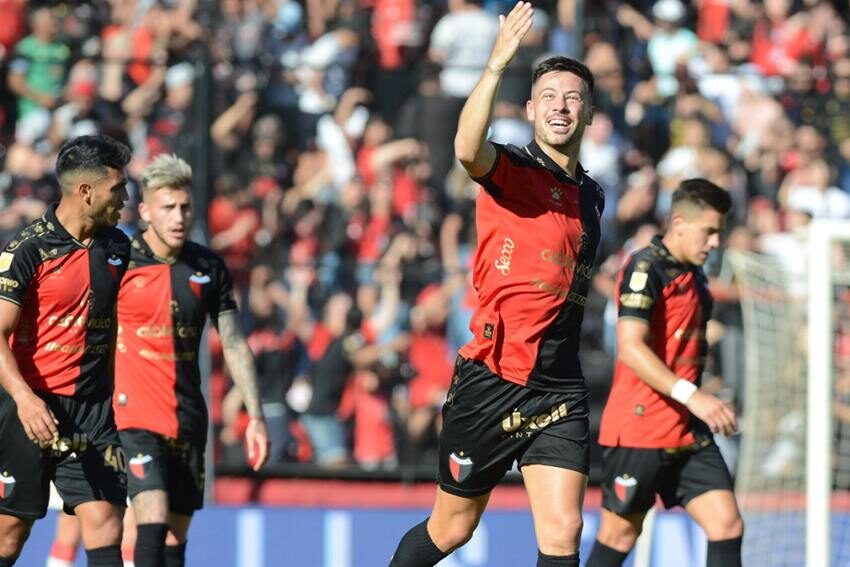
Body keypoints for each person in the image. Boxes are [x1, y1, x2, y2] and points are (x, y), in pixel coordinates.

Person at [390, 3, 604, 566]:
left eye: (573, 98)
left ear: (589, 113)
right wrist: (496, 63)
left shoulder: (593, 194)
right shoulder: (512, 170)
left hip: (559, 388)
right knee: (452, 529)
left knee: (563, 533)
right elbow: (466, 149)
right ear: (532, 110)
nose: (562, 107)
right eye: (551, 97)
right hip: (493, 378)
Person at [112, 153, 269, 567]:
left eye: (184, 207)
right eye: (168, 208)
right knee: (152, 515)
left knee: (175, 539)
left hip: (186, 416)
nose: (178, 216)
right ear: (145, 211)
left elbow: (233, 342)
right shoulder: (120, 263)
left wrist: (255, 414)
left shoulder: (208, 267)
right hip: (133, 418)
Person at [587, 179, 744, 567]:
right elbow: (631, 347)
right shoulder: (645, 267)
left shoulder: (697, 278)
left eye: (719, 233)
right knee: (619, 536)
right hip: (639, 428)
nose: (714, 243)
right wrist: (695, 396)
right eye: (708, 232)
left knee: (727, 524)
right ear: (679, 223)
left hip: (686, 428)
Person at [0, 134, 132, 567]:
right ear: (86, 190)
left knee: (106, 521)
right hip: (31, 409)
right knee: (8, 537)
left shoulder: (118, 246)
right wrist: (24, 399)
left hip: (92, 412)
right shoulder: (28, 250)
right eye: (118, 188)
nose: (125, 198)